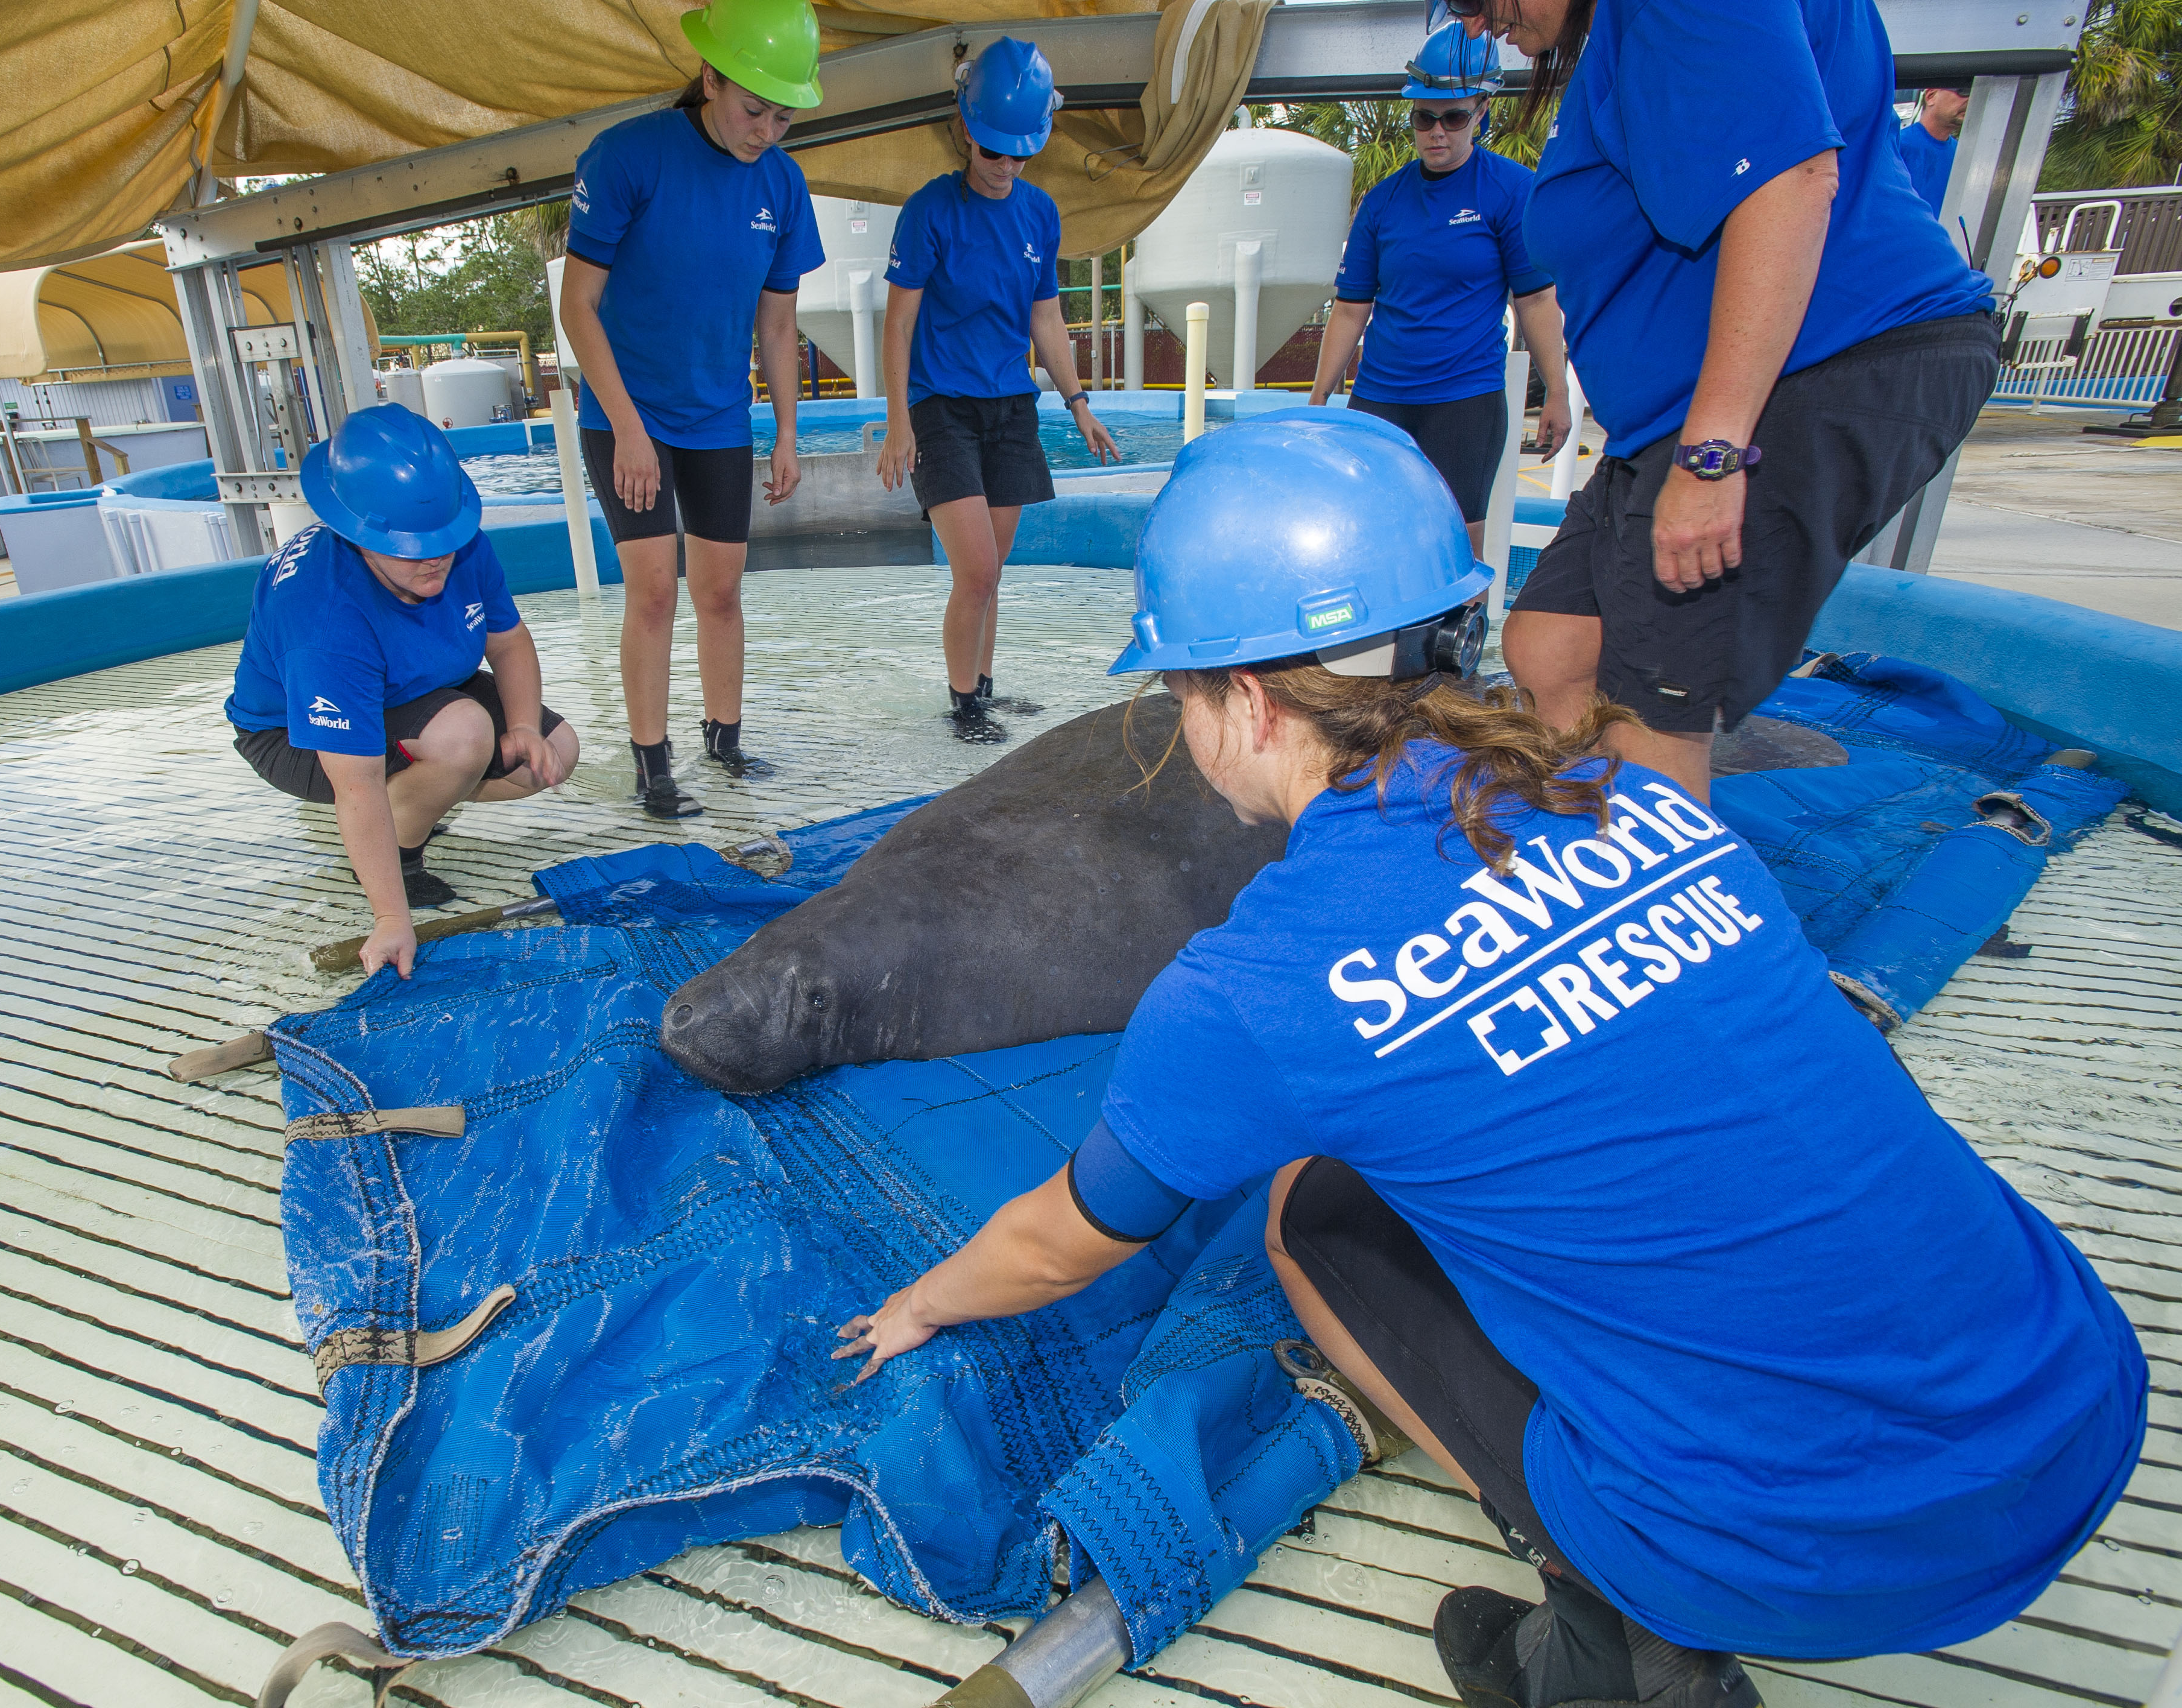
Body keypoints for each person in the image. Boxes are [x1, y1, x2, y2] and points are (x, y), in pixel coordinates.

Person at [830, 416, 2145, 1708]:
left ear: (1238, 698)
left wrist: (925, 1306)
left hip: (1793, 1561)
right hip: (2079, 1405)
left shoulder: (1260, 986)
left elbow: (1067, 1241)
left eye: (1173, 692)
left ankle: (1607, 1628)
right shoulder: (1639, 801)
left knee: (1307, 1208)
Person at [1456, 0, 1999, 803]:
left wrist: (1713, 455)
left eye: (1474, 0)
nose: (1473, 25)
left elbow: (1791, 184)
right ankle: (1588, 850)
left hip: (1806, 375)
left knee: (1653, 716)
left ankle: (1655, 886)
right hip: (1672, 417)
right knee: (1548, 648)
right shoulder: (1621, 35)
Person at [555, 0, 826, 819]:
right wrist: (630, 430)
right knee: (652, 591)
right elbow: (579, 308)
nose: (765, 131)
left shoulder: (782, 183)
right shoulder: (627, 157)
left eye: (783, 115)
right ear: (709, 77)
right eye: (753, 109)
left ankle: (726, 737)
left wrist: (785, 431)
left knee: (720, 591)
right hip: (625, 414)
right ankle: (652, 765)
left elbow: (777, 323)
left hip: (716, 418)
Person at [224, 404, 577, 979]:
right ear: (355, 532)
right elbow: (355, 783)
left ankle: (420, 796)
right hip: (289, 734)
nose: (434, 556)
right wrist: (390, 915)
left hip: (416, 689)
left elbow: (509, 642)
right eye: (410, 547)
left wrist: (521, 729)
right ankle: (402, 855)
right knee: (463, 738)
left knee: (553, 753)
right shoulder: (324, 619)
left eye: (443, 537)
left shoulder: (459, 544)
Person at [876, 37, 1121, 742]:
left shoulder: (1038, 213)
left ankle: (982, 688)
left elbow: (1045, 316)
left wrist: (1079, 404)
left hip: (1010, 406)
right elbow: (898, 325)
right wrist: (899, 423)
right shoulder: (928, 211)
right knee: (975, 569)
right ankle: (961, 708)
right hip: (940, 407)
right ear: (964, 129)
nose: (1004, 166)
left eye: (1019, 152)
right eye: (991, 150)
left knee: (994, 571)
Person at [1304, 23, 1571, 557]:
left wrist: (1558, 393)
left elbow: (1536, 299)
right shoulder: (1382, 202)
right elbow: (1353, 309)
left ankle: (1454, 641)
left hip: (1464, 400)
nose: (1437, 132)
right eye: (1424, 118)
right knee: (1372, 537)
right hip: (1381, 399)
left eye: (1453, 117)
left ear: (1481, 114)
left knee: (1457, 542)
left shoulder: (1509, 190)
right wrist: (1320, 396)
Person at [1895, 82, 1972, 212]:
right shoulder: (1898, 146)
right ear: (1931, 96)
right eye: (1963, 91)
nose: (1970, 99)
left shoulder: (1963, 154)